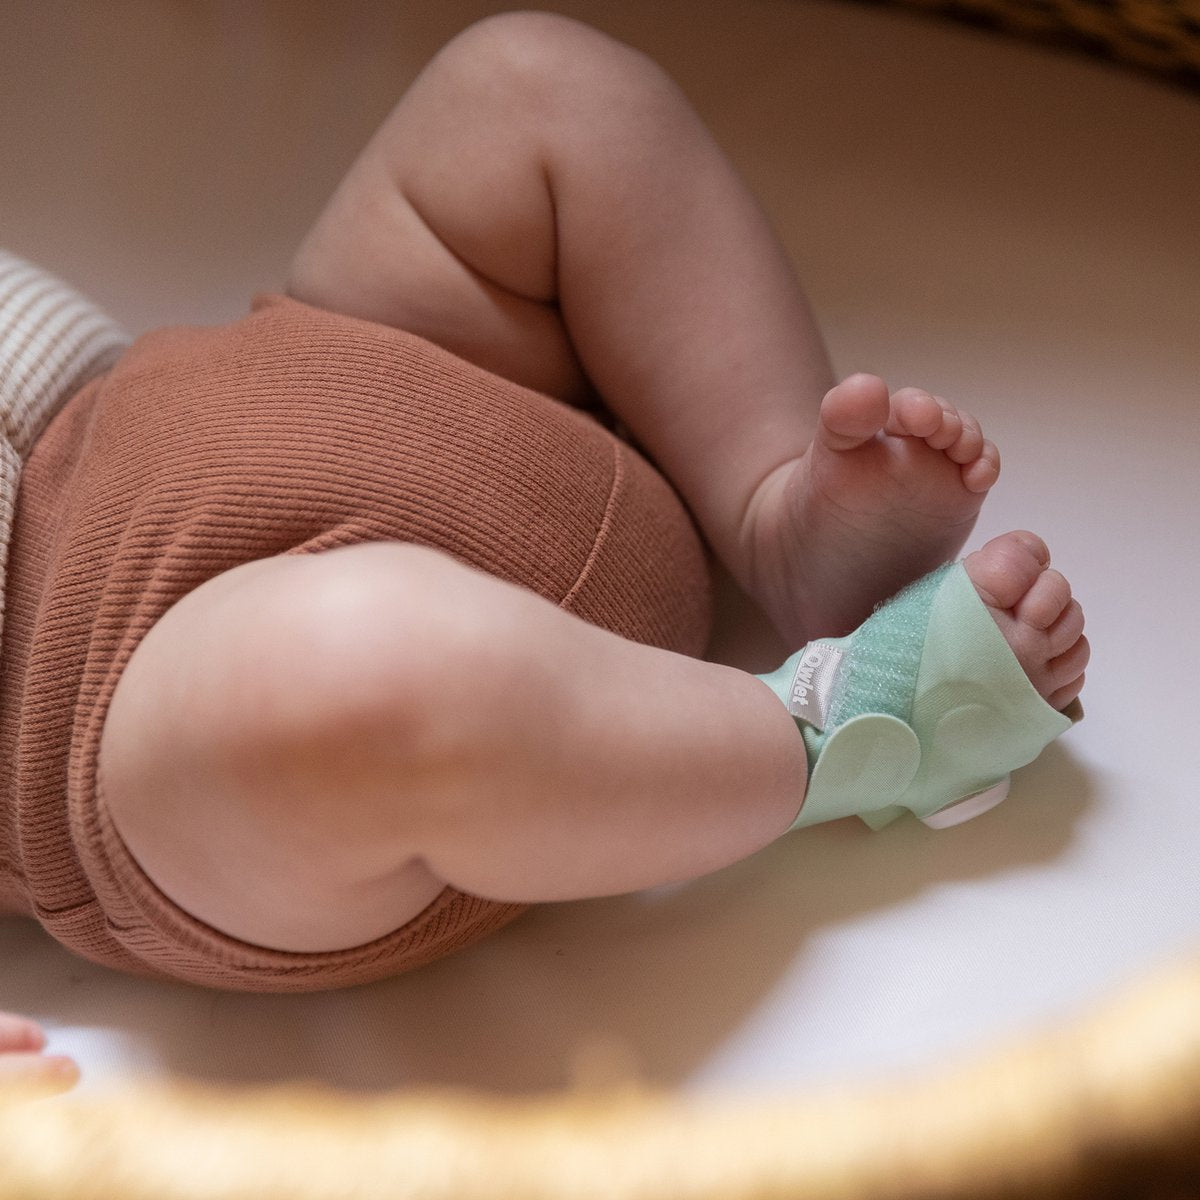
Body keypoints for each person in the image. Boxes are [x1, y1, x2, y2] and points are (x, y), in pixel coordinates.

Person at [0, 12, 1086, 1093]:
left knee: (528, 87)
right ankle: (841, 723)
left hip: (286, 385)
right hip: (121, 721)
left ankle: (772, 507)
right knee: (340, 689)